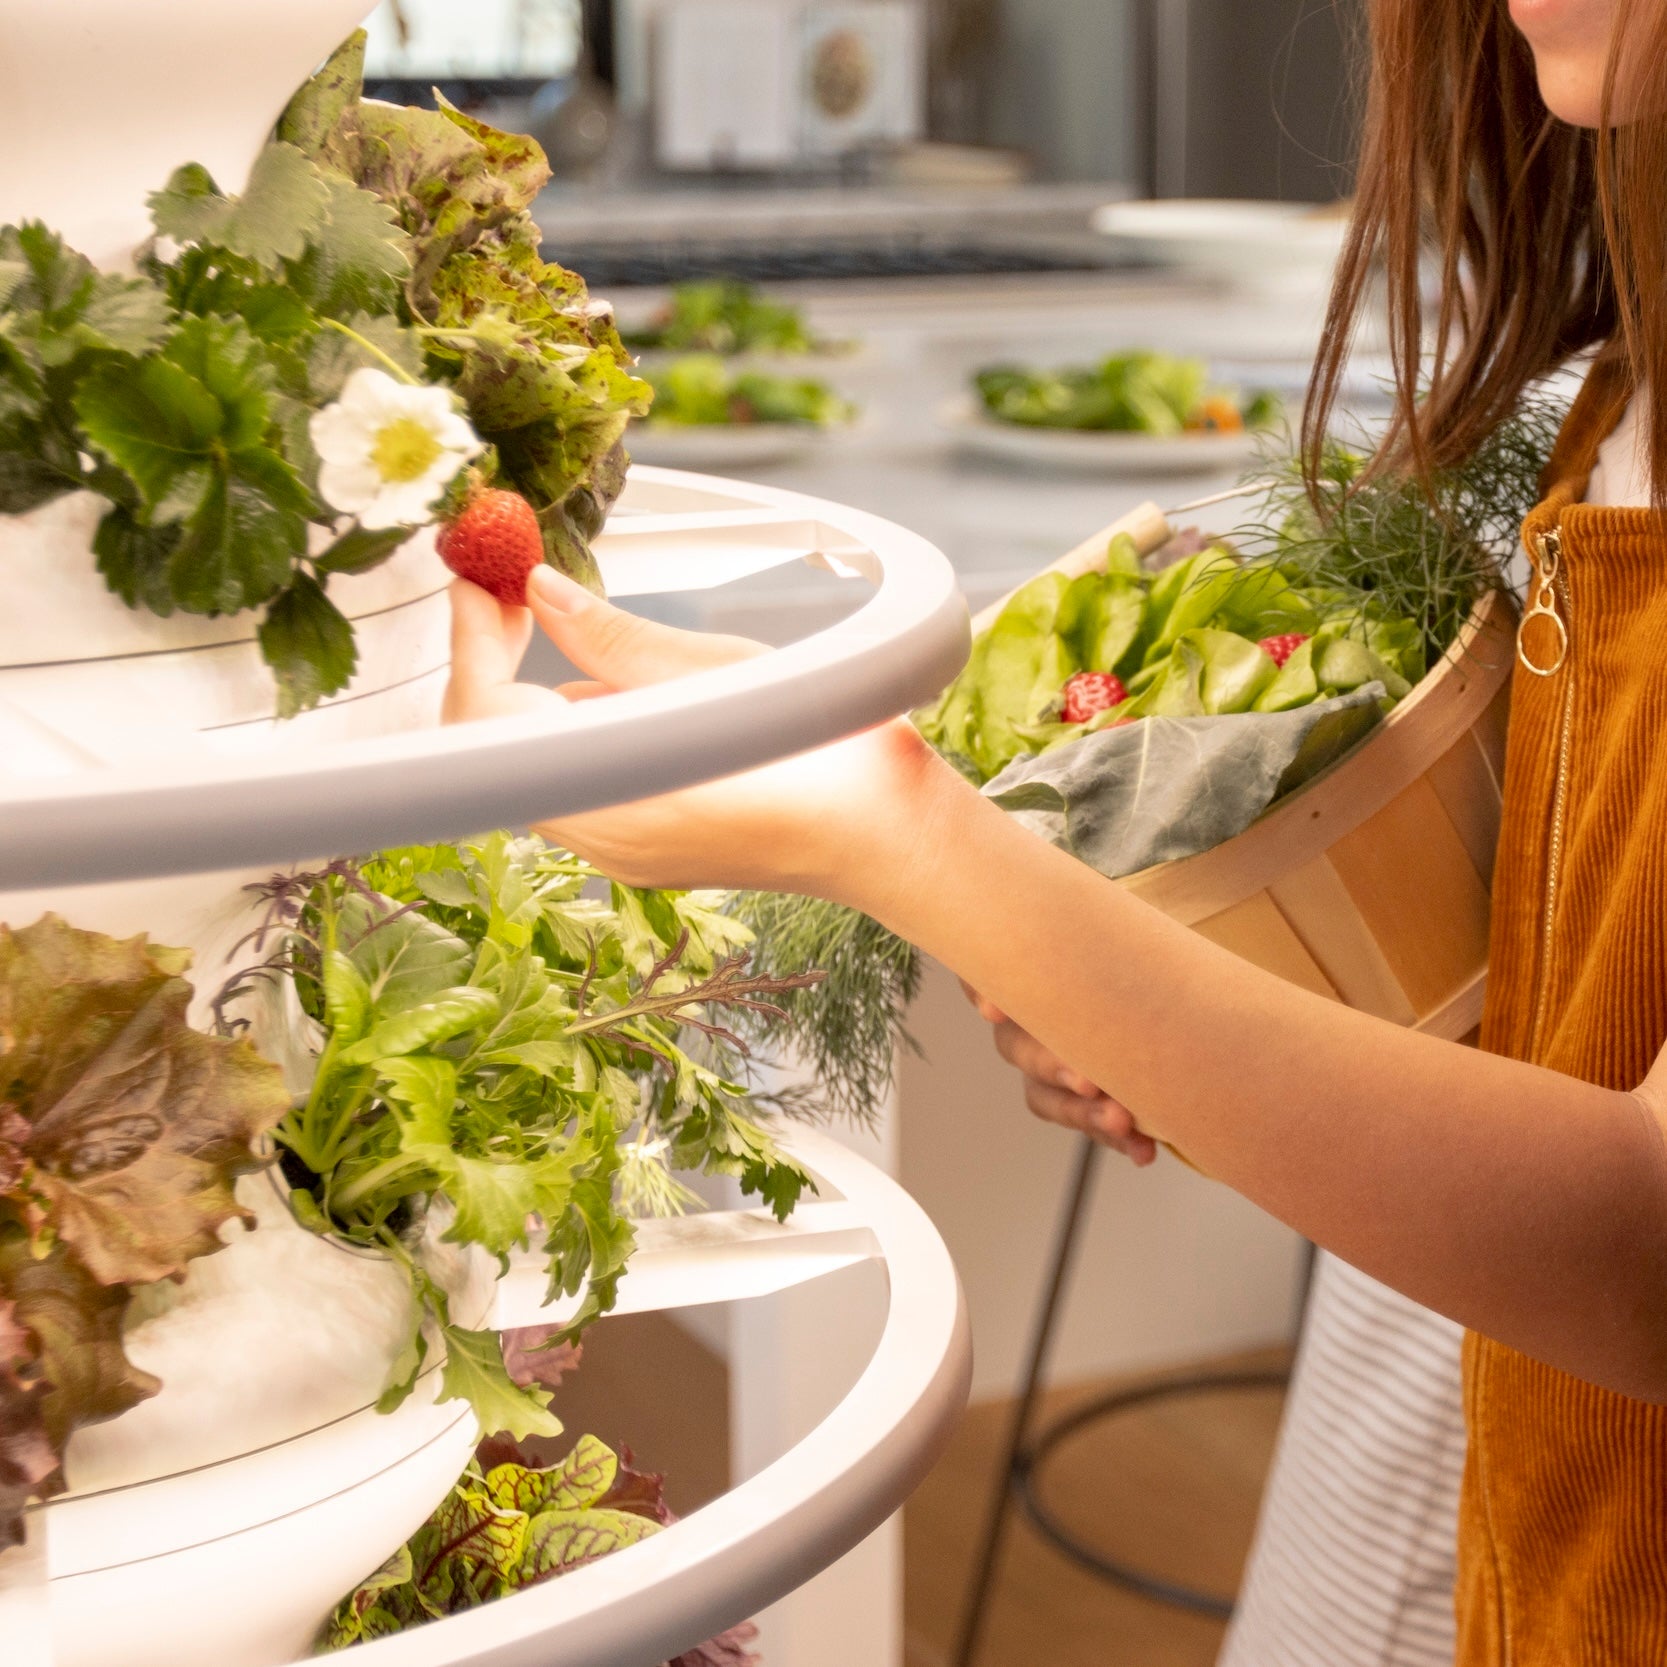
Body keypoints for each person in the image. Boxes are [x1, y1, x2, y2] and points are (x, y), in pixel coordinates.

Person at [446, 2, 1667, 1659]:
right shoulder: (1626, 343)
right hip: (1490, 1412)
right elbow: (1586, 912)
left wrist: (908, 837)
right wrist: (1101, 945)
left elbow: (1642, 1246)